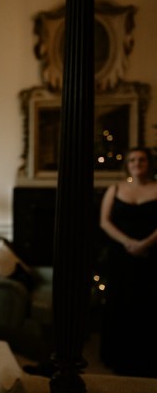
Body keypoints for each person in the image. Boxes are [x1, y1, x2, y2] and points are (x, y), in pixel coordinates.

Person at [98, 146, 157, 378]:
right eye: (132, 159)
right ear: (127, 164)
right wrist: (129, 243)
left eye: (141, 159)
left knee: (149, 304)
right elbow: (105, 222)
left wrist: (145, 245)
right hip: (121, 256)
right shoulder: (115, 189)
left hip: (152, 256)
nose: (137, 163)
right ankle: (118, 357)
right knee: (121, 302)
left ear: (149, 163)